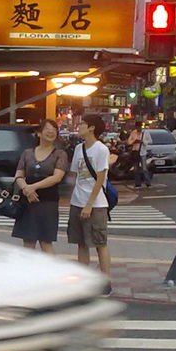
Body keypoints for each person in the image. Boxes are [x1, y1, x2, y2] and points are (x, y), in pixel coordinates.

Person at [13, 119, 69, 254]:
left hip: (48, 202)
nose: (51, 132)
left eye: (54, 130)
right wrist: (26, 189)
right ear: (39, 133)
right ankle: (29, 273)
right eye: (47, 129)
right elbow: (18, 175)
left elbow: (57, 177)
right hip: (28, 202)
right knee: (28, 242)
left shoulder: (60, 154)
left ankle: (50, 274)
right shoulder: (27, 153)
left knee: (45, 242)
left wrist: (33, 187)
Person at [68, 115, 111, 278]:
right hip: (77, 201)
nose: (79, 126)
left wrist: (89, 204)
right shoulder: (79, 149)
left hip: (96, 204)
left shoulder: (101, 149)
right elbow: (76, 175)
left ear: (92, 127)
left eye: (82, 124)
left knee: (100, 243)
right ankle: (83, 279)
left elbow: (101, 179)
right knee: (81, 243)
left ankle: (105, 280)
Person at [126, 121, 151, 188]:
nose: (138, 129)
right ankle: (138, 183)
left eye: (139, 127)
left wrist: (143, 142)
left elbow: (150, 141)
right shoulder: (133, 133)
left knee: (144, 168)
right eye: (137, 127)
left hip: (142, 152)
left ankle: (147, 182)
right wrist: (134, 142)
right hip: (135, 152)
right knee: (136, 169)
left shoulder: (145, 133)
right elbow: (128, 142)